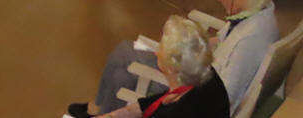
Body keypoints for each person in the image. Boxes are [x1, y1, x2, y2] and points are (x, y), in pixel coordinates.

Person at [68, 0, 277, 118]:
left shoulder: (249, 41)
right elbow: (223, 42)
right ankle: (100, 109)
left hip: (194, 79)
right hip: (200, 68)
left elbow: (226, 94)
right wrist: (193, 44)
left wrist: (188, 57)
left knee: (124, 52)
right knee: (122, 71)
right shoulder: (257, 12)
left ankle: (97, 109)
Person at [88, 16, 230, 118]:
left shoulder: (180, 111)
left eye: (160, 49)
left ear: (172, 68)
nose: (156, 52)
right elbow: (155, 102)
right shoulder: (205, 75)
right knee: (121, 76)